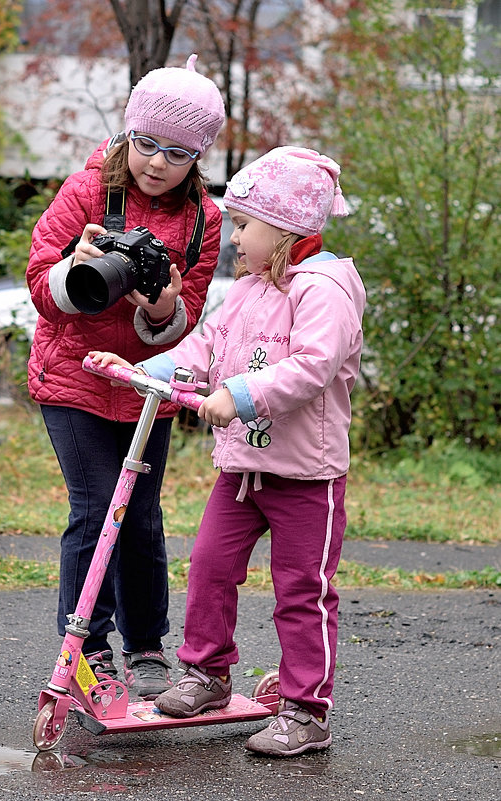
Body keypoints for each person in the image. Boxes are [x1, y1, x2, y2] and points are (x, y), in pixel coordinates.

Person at [89, 146, 366, 755]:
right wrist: (140, 368)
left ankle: (305, 709)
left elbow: (313, 367)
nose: (234, 237)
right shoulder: (247, 291)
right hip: (243, 470)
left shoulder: (322, 291)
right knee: (211, 568)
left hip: (306, 476)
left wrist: (238, 396)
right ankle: (208, 674)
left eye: (244, 225)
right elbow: (203, 350)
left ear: (286, 229)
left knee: (302, 590)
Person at [26, 54, 226, 700]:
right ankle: (87, 648)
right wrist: (76, 272)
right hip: (75, 377)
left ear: (197, 157)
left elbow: (188, 312)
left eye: (177, 151)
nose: (157, 162)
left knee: (140, 517)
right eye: (145, 143)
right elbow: (39, 283)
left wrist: (162, 309)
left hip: (145, 388)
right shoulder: (84, 192)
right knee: (93, 512)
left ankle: (146, 645)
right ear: (127, 134)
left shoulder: (204, 220)